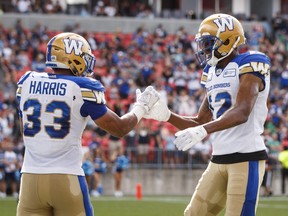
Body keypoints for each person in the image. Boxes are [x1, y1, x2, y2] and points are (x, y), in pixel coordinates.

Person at [15, 32, 160, 216]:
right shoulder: (82, 87)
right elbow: (120, 128)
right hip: (66, 178)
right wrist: (141, 108)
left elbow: (24, 131)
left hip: (29, 178)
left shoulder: (26, 82)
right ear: (71, 57)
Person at [144, 13, 270, 216]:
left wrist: (203, 130)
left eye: (210, 42)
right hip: (218, 159)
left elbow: (242, 111)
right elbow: (200, 121)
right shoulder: (211, 72)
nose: (204, 48)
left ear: (229, 41)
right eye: (203, 43)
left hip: (246, 157)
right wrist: (166, 115)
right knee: (194, 214)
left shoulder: (251, 62)